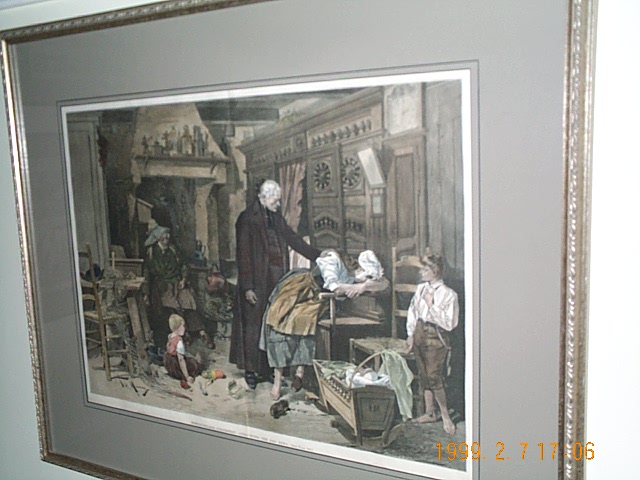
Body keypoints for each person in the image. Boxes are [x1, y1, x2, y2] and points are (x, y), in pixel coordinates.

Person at [261, 249, 389, 400]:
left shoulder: (356, 278)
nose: (366, 280)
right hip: (300, 290)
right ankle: (277, 381)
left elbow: (384, 283)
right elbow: (336, 288)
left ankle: (300, 373)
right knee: (281, 324)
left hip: (317, 299)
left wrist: (364, 287)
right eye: (367, 277)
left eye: (369, 278)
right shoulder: (333, 260)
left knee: (306, 324)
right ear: (359, 267)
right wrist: (356, 287)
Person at [229, 179, 321, 389]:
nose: (278, 204)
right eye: (275, 200)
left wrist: (317, 255)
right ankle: (251, 370)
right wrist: (247, 287)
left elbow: (293, 240)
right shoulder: (247, 218)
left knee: (271, 325)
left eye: (279, 201)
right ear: (263, 197)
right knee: (253, 326)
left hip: (276, 280)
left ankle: (267, 369)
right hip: (256, 281)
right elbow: (243, 254)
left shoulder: (276, 217)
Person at [406, 251, 459, 434]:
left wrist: (431, 306)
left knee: (434, 376)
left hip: (436, 336)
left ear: (435, 271)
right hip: (420, 332)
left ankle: (445, 415)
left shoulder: (449, 294)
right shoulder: (421, 289)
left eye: (424, 269)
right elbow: (413, 311)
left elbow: (450, 323)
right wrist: (411, 334)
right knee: (424, 375)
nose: (421, 272)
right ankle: (430, 412)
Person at [143, 220, 214, 349]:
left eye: (167, 239)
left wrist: (184, 279)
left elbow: (183, 266)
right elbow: (147, 274)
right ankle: (185, 334)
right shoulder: (151, 253)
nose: (166, 241)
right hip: (163, 287)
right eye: (163, 239)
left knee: (189, 304)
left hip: (177, 283)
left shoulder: (173, 250)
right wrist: (146, 292)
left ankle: (203, 333)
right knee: (175, 308)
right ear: (158, 240)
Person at [163, 314, 204, 385]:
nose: (184, 328)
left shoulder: (170, 336)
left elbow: (168, 347)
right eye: (183, 326)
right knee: (194, 365)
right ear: (177, 328)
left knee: (189, 358)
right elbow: (181, 360)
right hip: (176, 364)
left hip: (169, 362)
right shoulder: (179, 341)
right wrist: (187, 377)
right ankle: (198, 362)